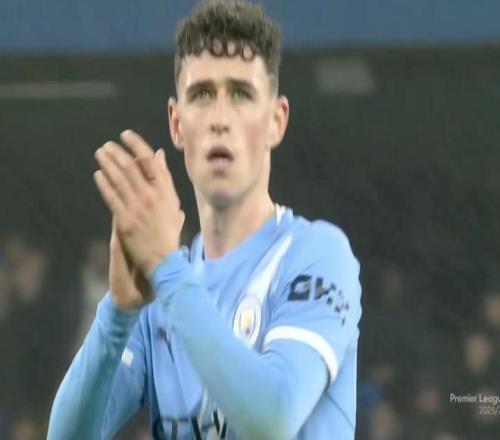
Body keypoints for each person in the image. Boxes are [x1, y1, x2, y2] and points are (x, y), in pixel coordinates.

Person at [47, 1, 362, 439]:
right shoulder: (159, 293)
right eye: (202, 94)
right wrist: (118, 313)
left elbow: (271, 420)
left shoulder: (318, 254)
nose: (220, 118)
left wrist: (167, 269)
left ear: (276, 121)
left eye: (241, 94)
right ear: (176, 124)